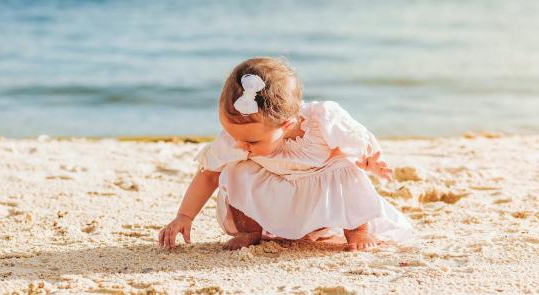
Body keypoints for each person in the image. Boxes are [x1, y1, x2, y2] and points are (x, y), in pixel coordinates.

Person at [158, 57, 412, 251]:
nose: (240, 144)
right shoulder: (240, 138)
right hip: (279, 197)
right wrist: (184, 215)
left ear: (286, 126)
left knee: (344, 167)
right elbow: (208, 175)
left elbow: (357, 140)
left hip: (319, 198)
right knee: (235, 170)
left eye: (251, 140)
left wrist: (371, 160)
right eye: (232, 133)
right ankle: (250, 230)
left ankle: (357, 229)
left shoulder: (320, 120)